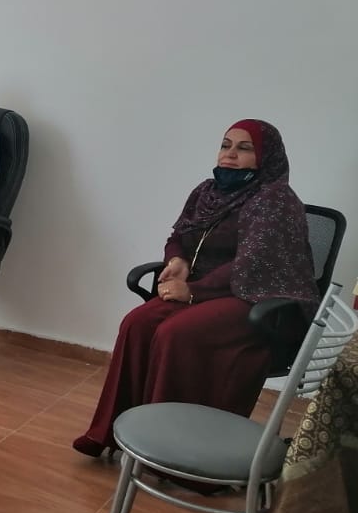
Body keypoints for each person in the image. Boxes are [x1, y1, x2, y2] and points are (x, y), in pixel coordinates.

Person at [73, 120, 318, 458]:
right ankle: (112, 431)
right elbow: (179, 235)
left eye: (244, 148)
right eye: (225, 145)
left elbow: (253, 263)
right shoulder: (208, 192)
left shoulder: (275, 199)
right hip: (204, 288)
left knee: (175, 332)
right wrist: (177, 260)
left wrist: (194, 292)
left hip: (256, 297)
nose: (230, 154)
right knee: (137, 323)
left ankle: (167, 448)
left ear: (266, 157)